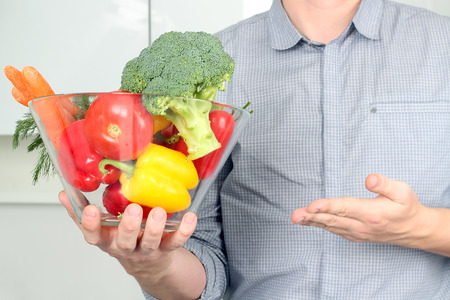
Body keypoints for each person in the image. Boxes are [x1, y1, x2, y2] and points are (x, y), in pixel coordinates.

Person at [59, 0, 450, 298]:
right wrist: (153, 268)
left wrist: (423, 228)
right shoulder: (212, 73)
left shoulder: (443, 46)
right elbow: (202, 259)